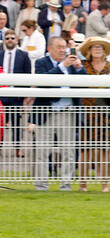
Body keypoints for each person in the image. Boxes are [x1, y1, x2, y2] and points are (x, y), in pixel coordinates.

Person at [31, 36, 87, 191]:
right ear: (49, 49)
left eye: (64, 47)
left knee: (68, 151)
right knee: (42, 150)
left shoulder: (71, 63)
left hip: (67, 112)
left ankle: (66, 185)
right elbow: (44, 83)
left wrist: (79, 68)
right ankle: (41, 185)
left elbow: (85, 85)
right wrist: (63, 66)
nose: (62, 50)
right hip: (46, 111)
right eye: (59, 47)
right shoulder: (41, 62)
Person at [77, 36, 110, 192]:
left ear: (104, 51)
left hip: (106, 113)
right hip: (86, 112)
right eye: (93, 47)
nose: (96, 49)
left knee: (105, 149)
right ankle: (83, 185)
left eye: (100, 47)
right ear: (88, 50)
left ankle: (105, 185)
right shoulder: (82, 66)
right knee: (85, 149)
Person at [0, 31, 32, 158]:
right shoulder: (0, 55)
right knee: (0, 123)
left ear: (17, 40)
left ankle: (18, 147)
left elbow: (27, 75)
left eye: (12, 38)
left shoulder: (23, 55)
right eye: (7, 38)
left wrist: (24, 95)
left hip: (16, 95)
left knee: (16, 124)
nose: (10, 40)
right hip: (1, 95)